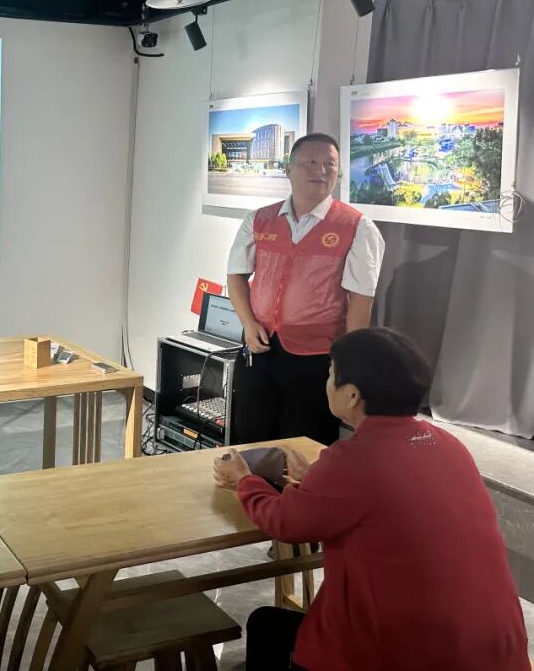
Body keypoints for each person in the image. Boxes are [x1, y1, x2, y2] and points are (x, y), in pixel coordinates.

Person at [213, 327, 528, 671]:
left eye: (330, 374)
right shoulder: (447, 444)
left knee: (267, 625)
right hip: (497, 651)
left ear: (351, 395)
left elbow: (285, 522)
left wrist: (244, 480)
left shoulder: (353, 459)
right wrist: (313, 480)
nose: (326, 382)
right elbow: (383, 499)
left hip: (403, 654)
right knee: (274, 625)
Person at [227, 133, 385, 446]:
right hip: (260, 347)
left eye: (330, 164)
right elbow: (236, 275)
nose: (321, 171)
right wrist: (248, 323)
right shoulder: (260, 220)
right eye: (311, 162)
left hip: (317, 357)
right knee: (250, 433)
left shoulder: (356, 227)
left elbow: (360, 300)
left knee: (304, 444)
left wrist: (348, 364)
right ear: (289, 169)